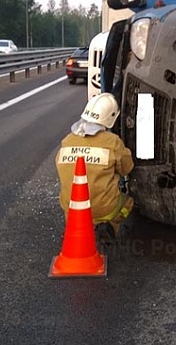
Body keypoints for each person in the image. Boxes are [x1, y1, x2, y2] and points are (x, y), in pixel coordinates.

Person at [55, 92, 134, 240]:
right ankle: (110, 226)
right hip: (102, 210)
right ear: (111, 118)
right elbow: (126, 168)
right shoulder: (113, 142)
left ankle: (72, 229)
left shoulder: (67, 141)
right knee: (128, 202)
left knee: (69, 200)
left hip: (72, 209)